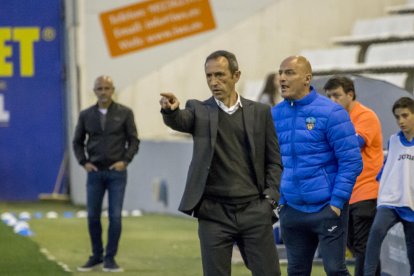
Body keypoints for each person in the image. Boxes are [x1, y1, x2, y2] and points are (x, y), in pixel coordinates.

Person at [159, 50, 283, 276]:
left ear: (236, 75)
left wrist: (270, 199)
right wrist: (171, 111)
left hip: (254, 210)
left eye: (219, 75)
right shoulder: (198, 110)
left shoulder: (261, 112)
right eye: (208, 76)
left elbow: (274, 161)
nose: (213, 82)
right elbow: (180, 120)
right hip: (213, 214)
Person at [271, 56, 362, 276]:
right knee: (296, 272)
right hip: (291, 209)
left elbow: (351, 161)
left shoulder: (331, 112)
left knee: (335, 270)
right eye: (281, 72)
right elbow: (272, 161)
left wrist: (337, 202)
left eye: (290, 72)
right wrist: (281, 201)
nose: (282, 78)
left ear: (307, 78)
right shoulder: (275, 114)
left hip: (327, 208)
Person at [73, 75, 140, 272]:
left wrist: (125, 161)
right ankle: (96, 256)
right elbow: (77, 141)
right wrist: (83, 162)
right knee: (93, 216)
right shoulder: (86, 115)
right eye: (99, 88)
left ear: (113, 90)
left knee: (115, 217)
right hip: (94, 173)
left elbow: (134, 140)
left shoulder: (125, 113)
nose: (103, 92)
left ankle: (110, 259)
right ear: (94, 91)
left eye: (107, 88)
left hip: (116, 173)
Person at [324, 75, 383, 276]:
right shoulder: (334, 119)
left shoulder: (365, 116)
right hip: (344, 192)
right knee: (356, 247)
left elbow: (351, 146)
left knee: (363, 247)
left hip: (366, 191)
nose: (332, 100)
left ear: (350, 94)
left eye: (337, 95)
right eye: (329, 96)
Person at [364, 97, 414, 276]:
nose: (401, 121)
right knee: (375, 233)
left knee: (411, 250)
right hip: (390, 201)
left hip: (411, 204)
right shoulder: (393, 141)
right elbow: (388, 167)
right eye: (397, 117)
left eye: (405, 116)